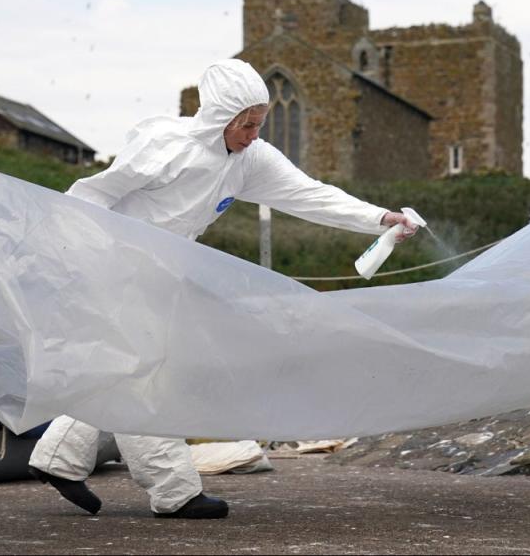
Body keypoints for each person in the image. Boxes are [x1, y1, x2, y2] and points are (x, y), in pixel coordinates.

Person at [28, 58, 418, 519]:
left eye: (259, 124)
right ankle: (174, 492)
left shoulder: (250, 159)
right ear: (220, 118)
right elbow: (94, 192)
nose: (253, 134)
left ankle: (58, 457)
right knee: (151, 375)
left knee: (125, 367)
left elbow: (310, 194)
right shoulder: (165, 147)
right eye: (246, 125)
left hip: (166, 273)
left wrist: (379, 218)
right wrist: (71, 252)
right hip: (116, 267)